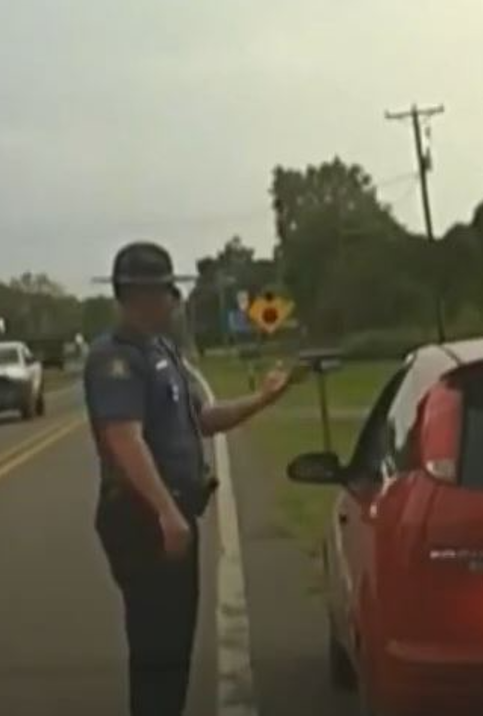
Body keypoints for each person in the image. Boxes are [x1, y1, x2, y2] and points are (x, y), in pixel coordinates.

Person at [84, 241, 297, 716]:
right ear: (139, 295)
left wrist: (261, 400)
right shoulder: (115, 359)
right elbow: (124, 439)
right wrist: (166, 511)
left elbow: (204, 418)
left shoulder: (162, 351)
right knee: (157, 646)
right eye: (166, 292)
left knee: (174, 644)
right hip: (142, 517)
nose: (173, 302)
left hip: (172, 512)